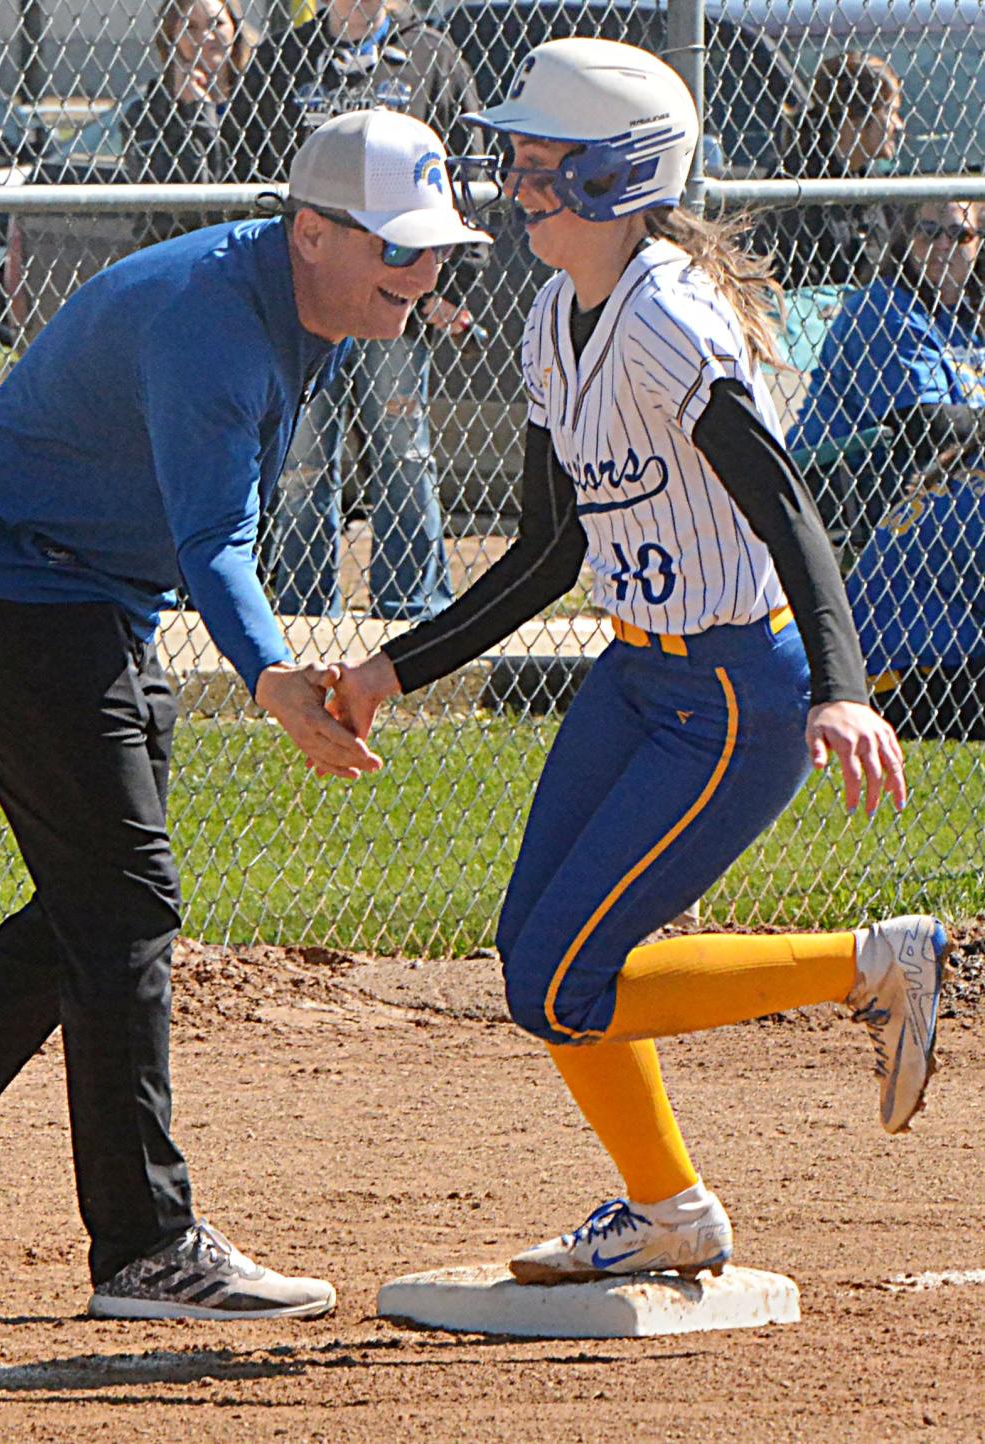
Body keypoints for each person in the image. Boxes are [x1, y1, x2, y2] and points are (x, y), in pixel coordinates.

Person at [0, 110, 488, 1320]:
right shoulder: (214, 323)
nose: (423, 274)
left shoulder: (308, 301)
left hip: (82, 605)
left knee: (94, 905)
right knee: (124, 901)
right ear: (312, 232)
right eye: (401, 249)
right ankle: (145, 1248)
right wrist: (273, 675)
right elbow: (214, 536)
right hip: (13, 602)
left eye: (435, 252)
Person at [332, 39, 947, 1283]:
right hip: (632, 677)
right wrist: (396, 668)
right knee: (536, 956)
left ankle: (878, 964)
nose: (513, 182)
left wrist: (842, 688)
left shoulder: (666, 318)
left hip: (735, 691)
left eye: (541, 164)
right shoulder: (556, 315)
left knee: (565, 979)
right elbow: (552, 550)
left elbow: (789, 513)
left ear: (618, 178)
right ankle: (667, 1208)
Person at [230, 0, 483, 619]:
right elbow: (245, 157)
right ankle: (303, 607)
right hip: (307, 292)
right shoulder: (288, 55)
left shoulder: (432, 54)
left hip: (393, 289)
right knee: (303, 455)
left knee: (403, 446)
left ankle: (412, 603)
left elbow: (469, 174)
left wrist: (453, 279)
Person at [791, 199, 985, 738]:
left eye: (960, 234)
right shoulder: (883, 308)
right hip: (852, 496)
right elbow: (927, 424)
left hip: (945, 510)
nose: (944, 245)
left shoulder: (964, 322)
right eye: (929, 231)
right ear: (904, 236)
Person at [758, 51, 904, 291]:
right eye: (890, 111)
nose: (899, 124)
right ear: (857, 115)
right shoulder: (795, 186)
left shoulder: (876, 186)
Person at [120, 0, 257, 249]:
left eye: (217, 23)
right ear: (172, 34)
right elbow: (190, 198)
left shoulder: (258, 101)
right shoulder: (148, 111)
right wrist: (197, 110)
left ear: (235, 29)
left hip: (246, 247)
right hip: (174, 248)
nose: (205, 35)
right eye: (190, 27)